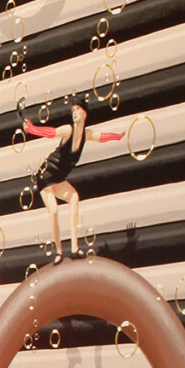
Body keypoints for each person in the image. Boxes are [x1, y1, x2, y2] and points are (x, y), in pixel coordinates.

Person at [21, 96, 123, 260]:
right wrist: (31, 128)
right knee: (54, 211)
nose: (74, 113)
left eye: (77, 110)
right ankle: (59, 252)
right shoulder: (68, 130)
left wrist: (117, 136)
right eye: (73, 110)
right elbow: (50, 132)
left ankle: (75, 248)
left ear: (85, 114)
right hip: (45, 175)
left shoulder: (86, 135)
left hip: (59, 178)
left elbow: (102, 137)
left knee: (74, 197)